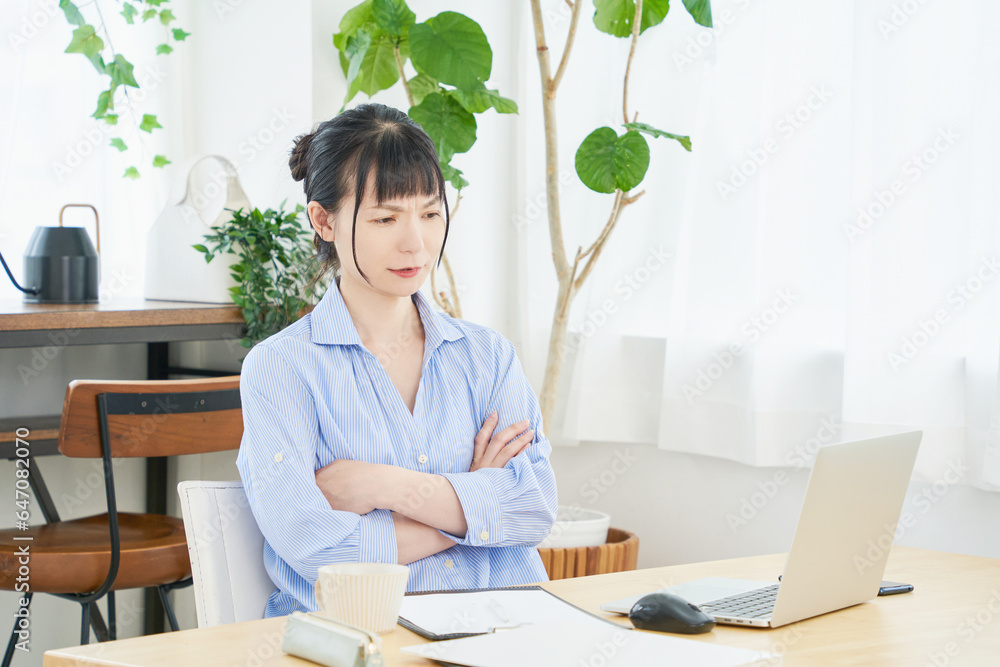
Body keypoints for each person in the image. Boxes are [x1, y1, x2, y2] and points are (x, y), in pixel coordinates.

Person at [236, 103, 558, 617]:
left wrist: (382, 485)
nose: (416, 244)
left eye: (430, 214)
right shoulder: (281, 369)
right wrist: (470, 510)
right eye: (386, 218)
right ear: (324, 220)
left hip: (508, 630)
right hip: (361, 638)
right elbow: (316, 547)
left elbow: (532, 508)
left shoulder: (488, 356)